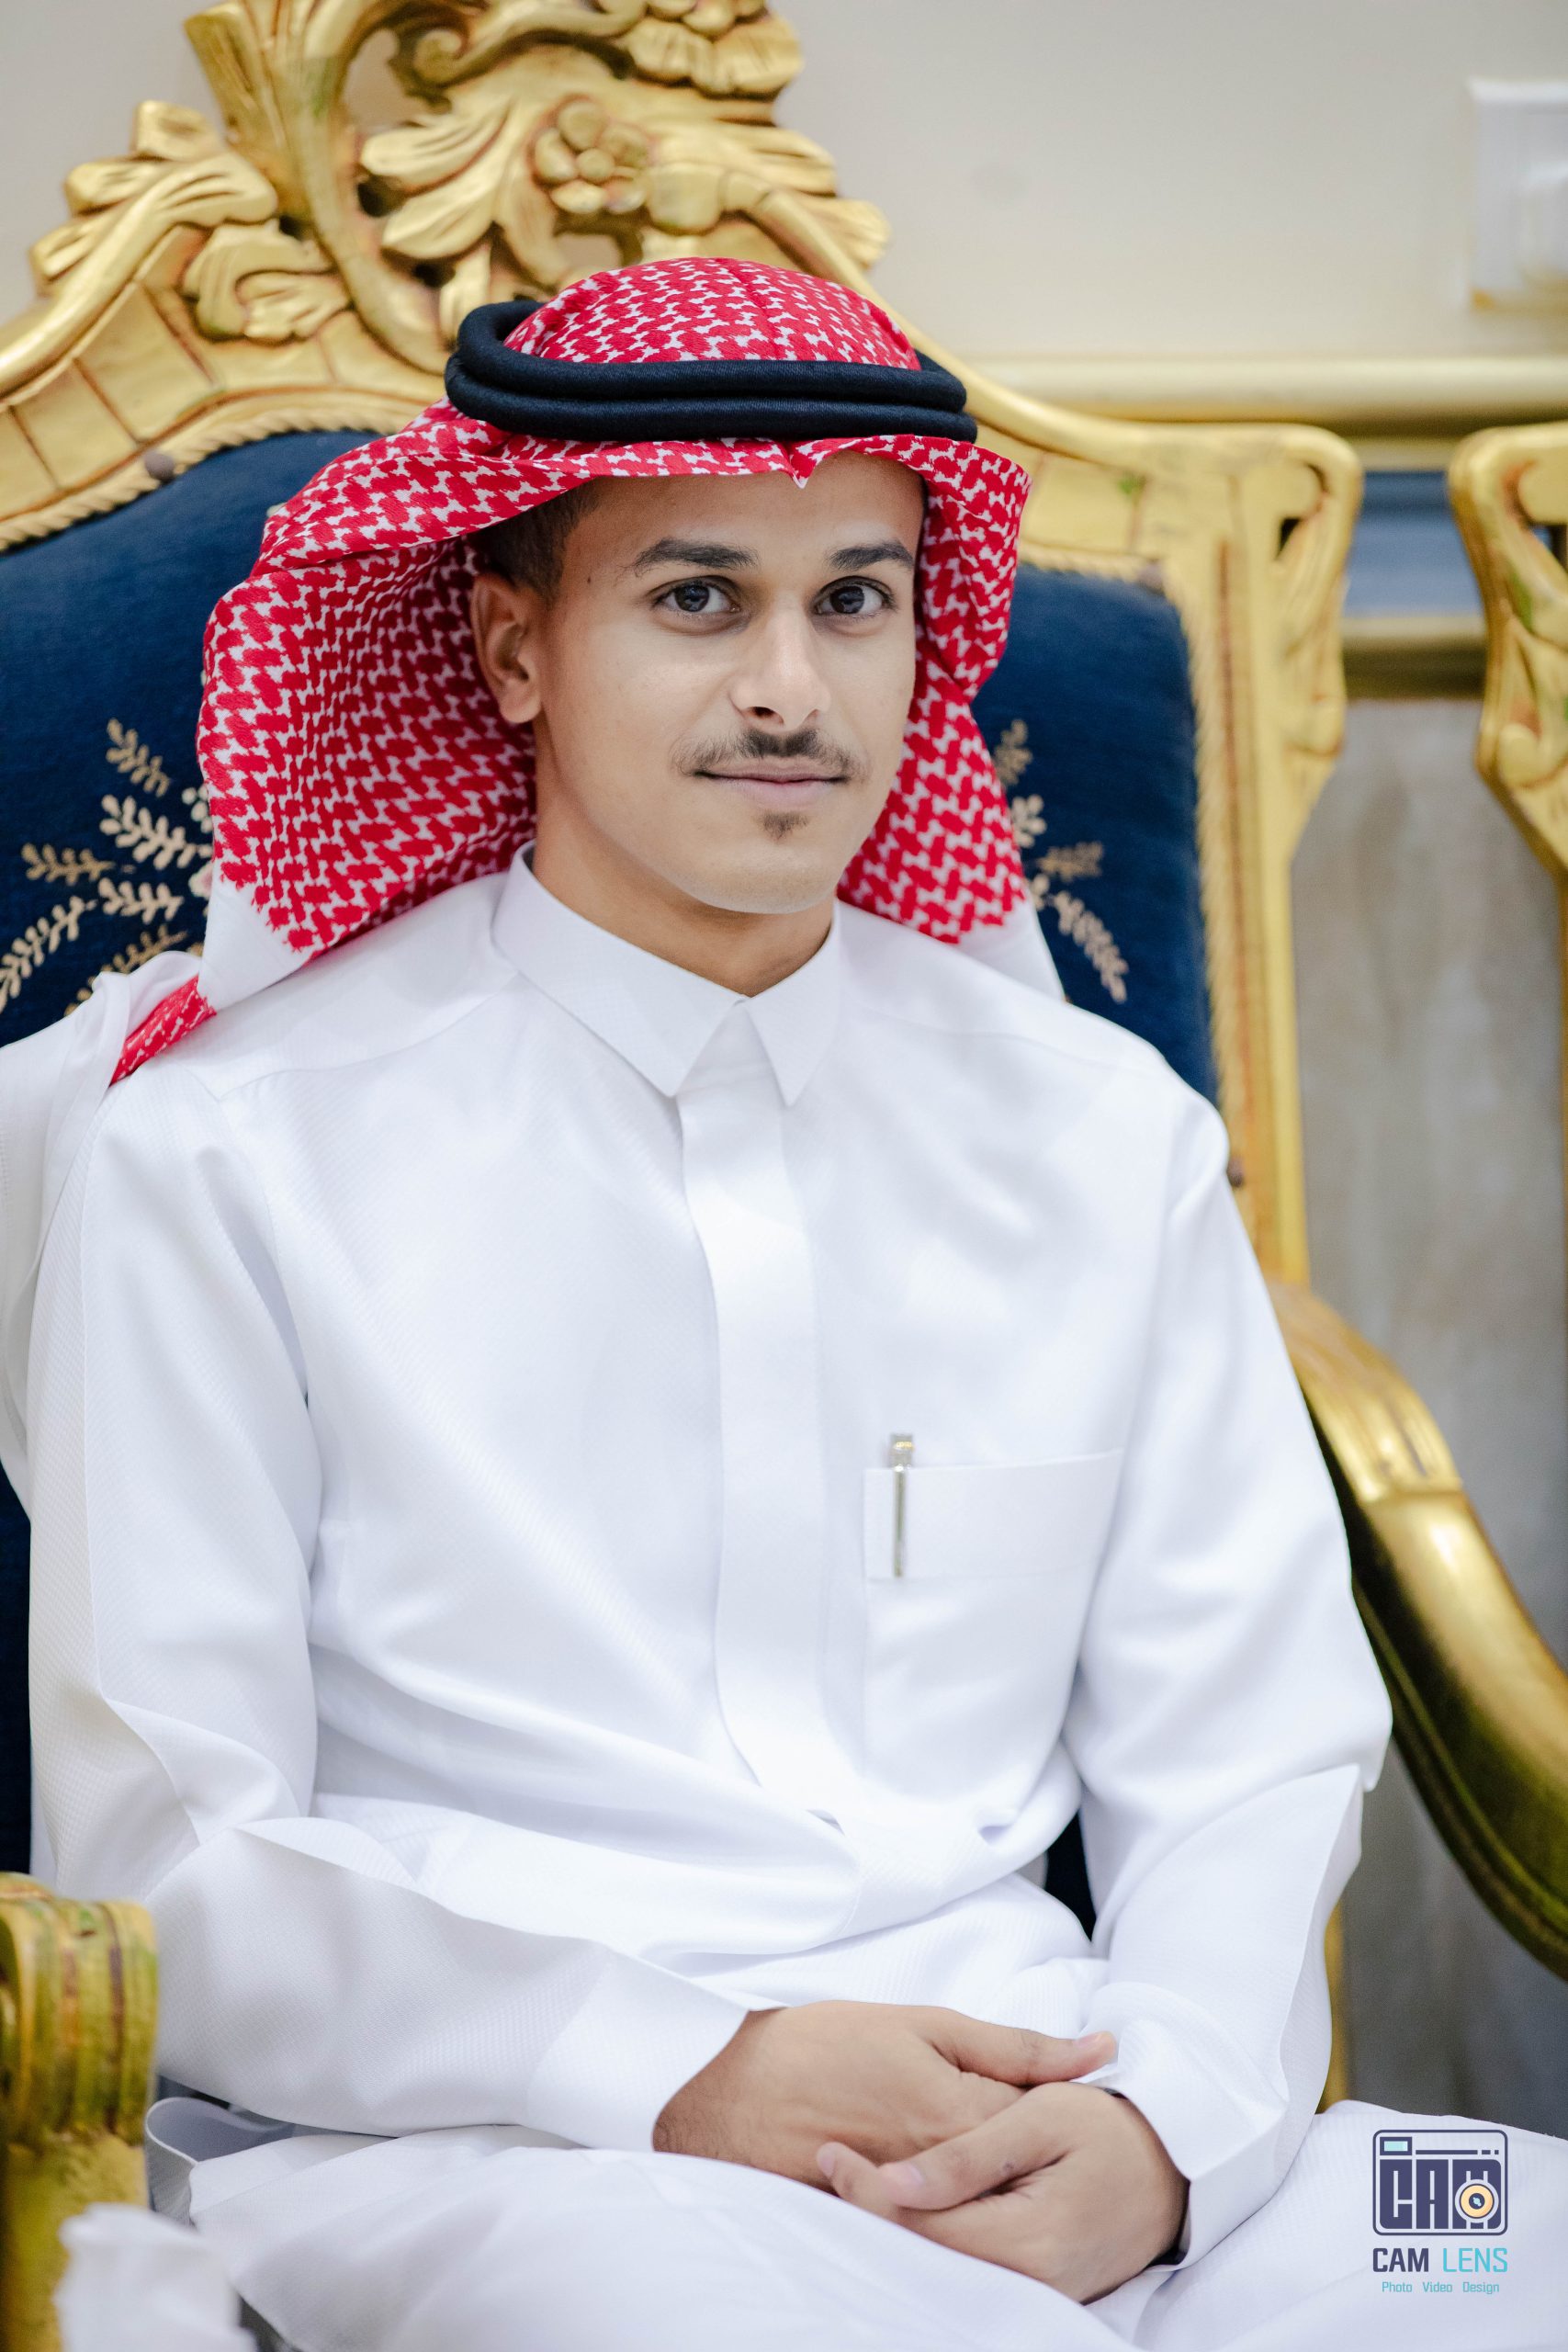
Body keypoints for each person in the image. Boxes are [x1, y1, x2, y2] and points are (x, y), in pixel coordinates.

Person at [6, 258, 1565, 2352]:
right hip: (504, 2151)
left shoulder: (1097, 1135)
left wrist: (1173, 2127)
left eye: (852, 600)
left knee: (1513, 2249)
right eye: (696, 598)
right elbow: (168, 1847)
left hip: (1055, 2106)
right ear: (510, 647)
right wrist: (683, 2064)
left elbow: (1251, 1742)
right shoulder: (224, 1154)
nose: (788, 689)